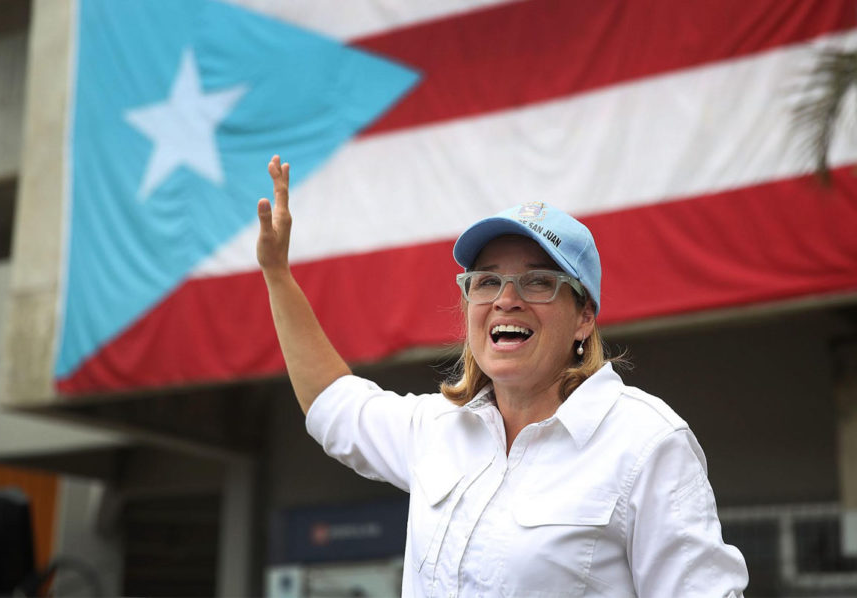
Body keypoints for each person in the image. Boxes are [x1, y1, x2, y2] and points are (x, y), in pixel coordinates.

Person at [257, 155, 748, 597]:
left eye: (538, 281)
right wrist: (278, 276)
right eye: (487, 280)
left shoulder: (646, 442)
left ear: (584, 316)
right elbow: (332, 402)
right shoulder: (438, 428)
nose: (506, 299)